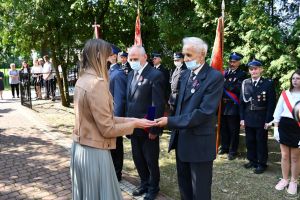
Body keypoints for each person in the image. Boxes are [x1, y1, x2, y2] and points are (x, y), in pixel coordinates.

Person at [71, 39, 155, 200]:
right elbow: (107, 127)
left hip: (83, 146)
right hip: (94, 150)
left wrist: (132, 120)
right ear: (98, 56)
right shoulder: (97, 83)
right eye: (108, 55)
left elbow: (154, 102)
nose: (112, 58)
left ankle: (149, 184)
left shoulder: (83, 79)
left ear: (145, 57)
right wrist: (135, 123)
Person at [155, 37, 224, 200]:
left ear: (202, 55)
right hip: (182, 142)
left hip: (199, 145)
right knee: (184, 189)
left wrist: (170, 122)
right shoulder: (185, 74)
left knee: (200, 192)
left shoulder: (214, 77)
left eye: (189, 55)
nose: (185, 59)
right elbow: (179, 106)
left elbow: (204, 113)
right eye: (184, 55)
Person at [126, 46, 165, 200]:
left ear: (145, 57)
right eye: (130, 58)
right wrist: (127, 124)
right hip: (133, 126)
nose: (132, 61)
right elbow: (129, 101)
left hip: (147, 128)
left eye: (135, 58)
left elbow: (156, 104)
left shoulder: (155, 75)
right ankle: (143, 182)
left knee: (150, 159)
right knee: (138, 157)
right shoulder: (130, 74)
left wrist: (152, 128)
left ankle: (153, 187)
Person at [240, 59, 276, 174]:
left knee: (261, 141)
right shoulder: (246, 83)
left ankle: (262, 163)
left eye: (256, 69)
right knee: (249, 140)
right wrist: (242, 118)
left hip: (261, 117)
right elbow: (242, 103)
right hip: (249, 116)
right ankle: (252, 160)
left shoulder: (268, 83)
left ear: (261, 69)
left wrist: (268, 120)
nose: (253, 71)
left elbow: (271, 104)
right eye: (251, 69)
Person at [273, 69, 300, 195]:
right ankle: (285, 179)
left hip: (297, 128)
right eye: (293, 78)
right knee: (284, 156)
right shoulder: (285, 94)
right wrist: (276, 129)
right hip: (284, 126)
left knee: (295, 157)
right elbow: (278, 112)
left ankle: (294, 181)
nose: (295, 81)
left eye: (298, 78)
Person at [219, 52, 247, 160]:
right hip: (223, 105)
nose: (232, 63)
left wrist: (223, 83)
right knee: (223, 128)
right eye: (230, 61)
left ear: (239, 62)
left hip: (233, 105)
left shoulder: (242, 74)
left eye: (234, 62)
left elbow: (236, 89)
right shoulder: (224, 73)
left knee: (233, 130)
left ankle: (232, 151)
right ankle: (225, 147)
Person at [108, 45, 127, 181]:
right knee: (110, 146)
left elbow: (119, 100)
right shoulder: (109, 71)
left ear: (114, 56)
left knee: (116, 145)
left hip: (114, 117)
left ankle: (117, 173)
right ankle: (112, 170)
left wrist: (116, 120)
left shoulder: (119, 73)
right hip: (107, 115)